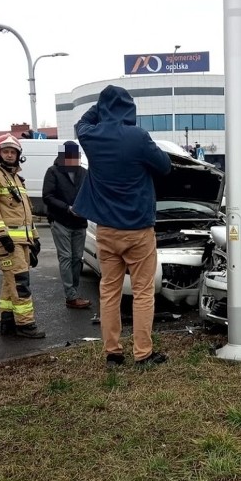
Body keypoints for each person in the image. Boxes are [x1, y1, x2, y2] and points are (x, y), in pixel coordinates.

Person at [73, 84, 172, 367]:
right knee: (142, 292)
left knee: (109, 291)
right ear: (130, 109)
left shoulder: (91, 136)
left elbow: (83, 121)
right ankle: (143, 353)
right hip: (138, 229)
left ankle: (113, 353)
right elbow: (164, 166)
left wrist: (102, 109)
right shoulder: (138, 137)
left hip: (106, 230)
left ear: (103, 109)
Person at [0, 134, 45, 339]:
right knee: (20, 282)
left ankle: (7, 321)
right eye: (6, 151)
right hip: (8, 241)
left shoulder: (16, 178)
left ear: (18, 155)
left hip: (22, 240)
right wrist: (2, 236)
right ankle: (26, 324)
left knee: (11, 281)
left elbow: (26, 211)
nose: (9, 155)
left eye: (13, 152)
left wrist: (34, 238)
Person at [43, 140, 91, 309]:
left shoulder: (83, 172)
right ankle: (71, 296)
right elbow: (47, 197)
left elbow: (90, 193)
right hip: (61, 221)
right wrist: (67, 208)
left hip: (80, 222)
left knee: (77, 259)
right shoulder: (53, 172)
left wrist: (85, 208)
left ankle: (75, 292)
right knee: (66, 258)